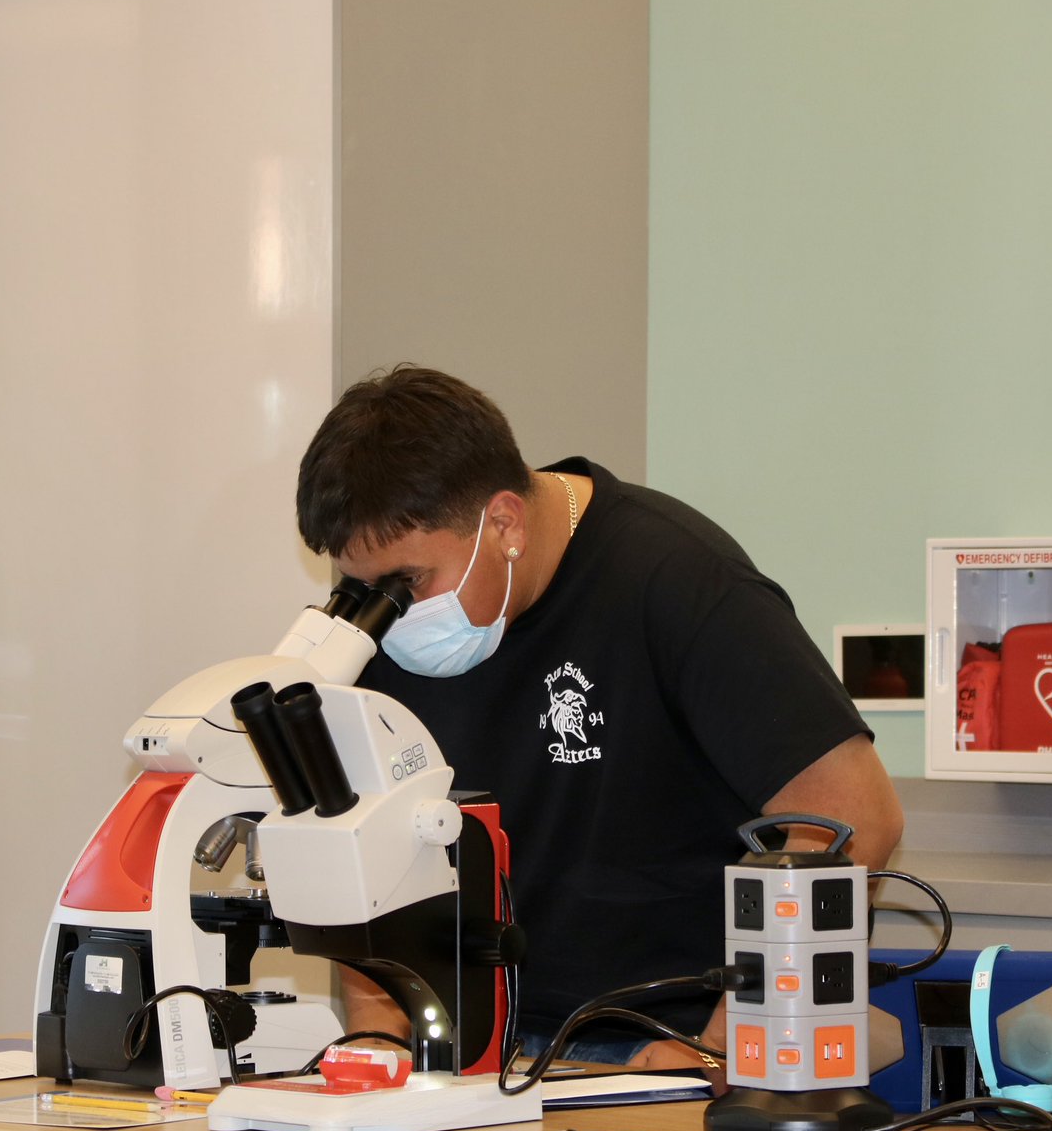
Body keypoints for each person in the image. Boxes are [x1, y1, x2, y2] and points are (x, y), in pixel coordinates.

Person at [295, 365, 904, 1087]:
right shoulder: (379, 619)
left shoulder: (677, 580)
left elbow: (852, 817)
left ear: (503, 523)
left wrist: (728, 1041)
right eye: (364, 587)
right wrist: (377, 1038)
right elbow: (354, 842)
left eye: (408, 583)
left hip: (657, 1046)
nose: (389, 610)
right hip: (467, 1049)